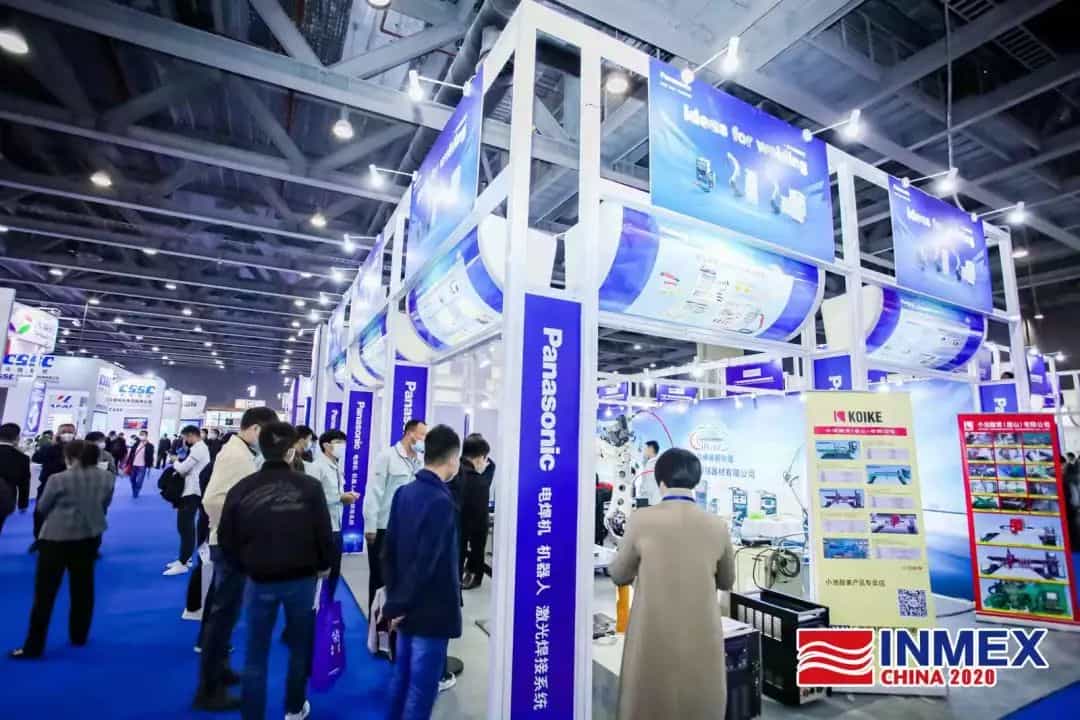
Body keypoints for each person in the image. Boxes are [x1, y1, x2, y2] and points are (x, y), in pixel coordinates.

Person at [218, 422, 333, 720]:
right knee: (298, 648)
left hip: (258, 580)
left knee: (256, 653)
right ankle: (294, 708)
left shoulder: (242, 488)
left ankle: (252, 715)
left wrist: (245, 566)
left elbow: (226, 538)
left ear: (261, 448)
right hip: (302, 580)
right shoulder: (310, 487)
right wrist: (324, 566)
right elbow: (324, 533)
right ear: (291, 451)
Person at [609, 448, 735, 720]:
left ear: (660, 480)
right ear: (695, 480)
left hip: (652, 636)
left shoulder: (641, 520)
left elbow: (620, 574)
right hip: (701, 636)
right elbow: (727, 580)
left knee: (649, 704)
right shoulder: (717, 525)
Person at [193, 406, 278, 711]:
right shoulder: (236, 456)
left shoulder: (243, 453)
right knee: (222, 616)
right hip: (230, 546)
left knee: (227, 614)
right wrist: (238, 529)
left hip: (235, 545)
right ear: (255, 429)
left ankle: (220, 670)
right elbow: (212, 500)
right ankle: (209, 690)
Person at [382, 425, 462, 720]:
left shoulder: (404, 493)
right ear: (452, 459)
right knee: (420, 691)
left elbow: (388, 552)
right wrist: (401, 605)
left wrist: (394, 602)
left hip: (403, 606)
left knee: (402, 680)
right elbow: (426, 562)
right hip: (429, 610)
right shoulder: (441, 501)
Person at [9, 439, 115, 659]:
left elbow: (42, 507)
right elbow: (105, 504)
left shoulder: (58, 479)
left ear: (71, 457)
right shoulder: (107, 477)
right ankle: (79, 635)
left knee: (45, 595)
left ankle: (34, 647)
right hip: (89, 537)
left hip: (56, 539)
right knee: (83, 588)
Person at [363, 419, 426, 618]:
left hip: (408, 528)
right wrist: (371, 526)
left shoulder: (420, 462)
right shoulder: (387, 457)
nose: (424, 440)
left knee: (401, 577)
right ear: (410, 433)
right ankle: (376, 622)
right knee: (380, 578)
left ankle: (395, 621)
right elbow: (374, 492)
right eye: (422, 435)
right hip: (384, 527)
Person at [305, 429, 359, 598]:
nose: (342, 446)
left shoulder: (335, 467)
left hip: (337, 526)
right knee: (322, 570)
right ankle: (316, 604)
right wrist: (340, 498)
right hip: (323, 528)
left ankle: (329, 601)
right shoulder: (316, 467)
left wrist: (345, 496)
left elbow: (333, 492)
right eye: (338, 443)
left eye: (344, 443)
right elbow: (312, 496)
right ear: (326, 445)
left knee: (335, 569)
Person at [166, 426, 210, 576]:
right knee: (185, 526)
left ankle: (183, 562)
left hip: (192, 492)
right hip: (190, 490)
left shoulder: (199, 449)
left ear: (191, 435)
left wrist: (175, 461)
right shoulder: (198, 448)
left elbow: (183, 469)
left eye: (185, 437)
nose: (185, 440)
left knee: (185, 526)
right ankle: (185, 558)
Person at [30, 423, 76, 549]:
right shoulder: (49, 447)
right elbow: (36, 458)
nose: (67, 434)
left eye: (70, 432)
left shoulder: (79, 448)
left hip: (71, 485)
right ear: (59, 434)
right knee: (40, 512)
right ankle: (39, 539)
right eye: (64, 432)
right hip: (48, 484)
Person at [457, 435, 493, 590]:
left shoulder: (452, 470)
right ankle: (473, 577)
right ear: (480, 458)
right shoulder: (478, 481)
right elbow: (480, 520)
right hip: (472, 526)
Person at [0, 423, 31, 536]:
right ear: (17, 437)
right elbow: (24, 483)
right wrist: (23, 504)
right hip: (5, 498)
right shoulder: (22, 458)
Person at [125, 431, 154, 499]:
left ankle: (136, 491)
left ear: (146, 436)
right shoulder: (136, 443)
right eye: (140, 434)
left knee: (140, 481)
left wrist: (150, 465)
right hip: (133, 465)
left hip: (142, 466)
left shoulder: (150, 445)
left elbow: (151, 456)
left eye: (143, 435)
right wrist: (127, 462)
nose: (141, 436)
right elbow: (131, 454)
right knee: (132, 479)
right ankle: (134, 488)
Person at [635, 440, 661, 507]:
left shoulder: (657, 463)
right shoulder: (648, 463)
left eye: (645, 448)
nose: (644, 451)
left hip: (652, 501)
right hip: (646, 499)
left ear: (650, 449)